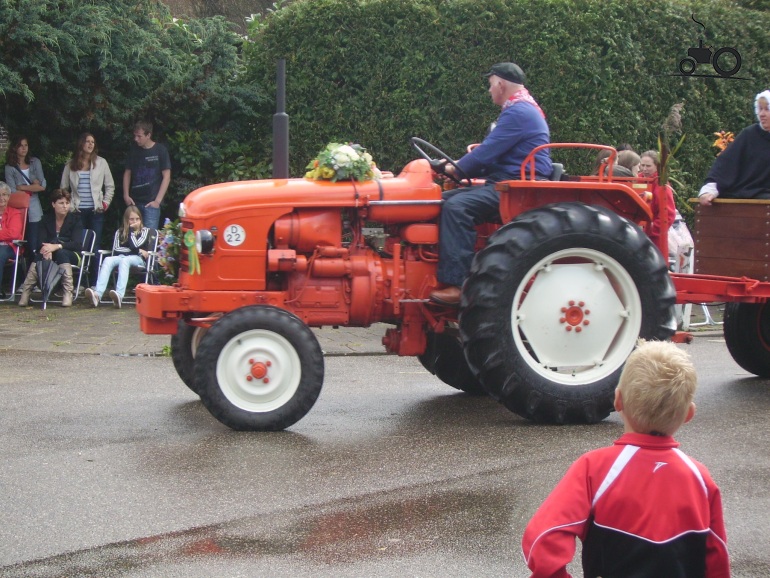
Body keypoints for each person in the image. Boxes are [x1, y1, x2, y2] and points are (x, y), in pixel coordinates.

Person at [522, 340, 730, 577]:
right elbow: (717, 556)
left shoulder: (595, 468)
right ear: (688, 414)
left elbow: (543, 537)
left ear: (618, 400)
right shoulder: (700, 478)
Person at [430, 62, 552, 306]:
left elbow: (486, 153)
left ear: (500, 83)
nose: (489, 90)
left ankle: (459, 284)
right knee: (438, 202)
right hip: (506, 181)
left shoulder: (519, 112)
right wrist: (454, 165)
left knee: (456, 208)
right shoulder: (521, 110)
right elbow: (494, 154)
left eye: (490, 84)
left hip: (516, 188)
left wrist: (455, 167)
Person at [699, 90, 770, 205]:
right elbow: (726, 163)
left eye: (767, 109)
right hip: (745, 194)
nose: (762, 114)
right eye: (760, 109)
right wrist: (710, 189)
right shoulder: (749, 135)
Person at [60, 132, 115, 278]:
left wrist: (105, 203)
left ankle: (95, 282)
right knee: (79, 246)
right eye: (87, 141)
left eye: (93, 142)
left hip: (96, 211)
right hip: (77, 211)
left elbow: (110, 186)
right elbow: (63, 189)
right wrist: (69, 205)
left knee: (95, 246)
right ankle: (80, 282)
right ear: (81, 144)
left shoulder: (101, 163)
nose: (91, 144)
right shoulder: (70, 164)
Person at [17, 189, 83, 307]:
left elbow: (77, 244)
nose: (65, 206)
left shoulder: (75, 220)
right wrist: (47, 249)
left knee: (61, 252)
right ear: (53, 204)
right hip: (50, 254)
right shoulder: (45, 220)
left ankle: (67, 293)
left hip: (73, 255)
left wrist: (56, 246)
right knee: (40, 254)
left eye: (67, 203)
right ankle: (26, 293)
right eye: (61, 203)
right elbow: (40, 242)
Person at [85, 206, 153, 309]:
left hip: (138, 260)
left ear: (140, 219)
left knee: (125, 260)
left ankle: (119, 296)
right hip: (122, 257)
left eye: (137, 219)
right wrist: (138, 250)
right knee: (108, 259)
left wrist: (131, 233)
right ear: (126, 220)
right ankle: (97, 295)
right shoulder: (119, 232)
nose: (134, 221)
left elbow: (135, 247)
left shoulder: (145, 231)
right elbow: (116, 249)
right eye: (131, 219)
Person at [4, 135, 46, 266]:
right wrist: (33, 187)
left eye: (26, 145)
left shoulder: (35, 162)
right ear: (14, 148)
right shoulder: (10, 167)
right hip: (18, 208)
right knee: (20, 241)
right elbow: (11, 190)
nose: (24, 148)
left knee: (34, 242)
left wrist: (22, 187)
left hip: (34, 207)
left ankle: (33, 275)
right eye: (20, 145)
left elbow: (42, 185)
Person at [123, 120, 171, 230]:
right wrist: (126, 195)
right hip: (134, 202)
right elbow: (127, 173)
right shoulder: (134, 150)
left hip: (151, 203)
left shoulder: (160, 150)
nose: (136, 139)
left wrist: (157, 201)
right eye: (135, 136)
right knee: (132, 236)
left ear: (148, 135)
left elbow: (167, 177)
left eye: (139, 136)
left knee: (150, 238)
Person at [640, 149, 677, 250]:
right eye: (642, 165)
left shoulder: (661, 184)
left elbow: (668, 214)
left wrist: (650, 231)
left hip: (654, 239)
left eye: (648, 166)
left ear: (657, 166)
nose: (644, 169)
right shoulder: (638, 180)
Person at [0, 181, 25, 296]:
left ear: (9, 197)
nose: (1, 198)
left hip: (10, 247)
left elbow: (14, 234)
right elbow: (8, 232)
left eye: (4, 194)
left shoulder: (14, 213)